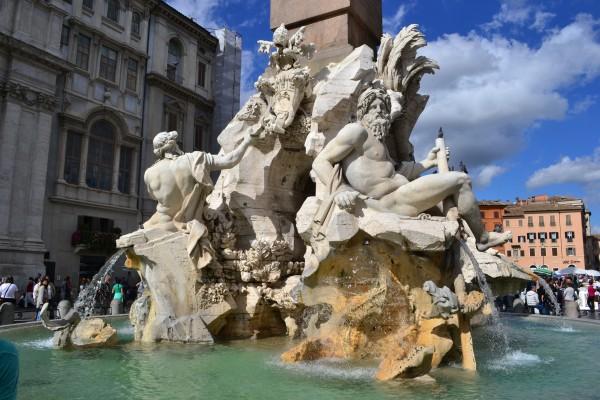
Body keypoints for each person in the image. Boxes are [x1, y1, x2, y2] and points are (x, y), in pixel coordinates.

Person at [312, 86, 512, 252]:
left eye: (383, 106)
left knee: (451, 203)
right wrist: (341, 191)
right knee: (461, 180)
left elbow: (397, 173)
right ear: (363, 111)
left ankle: (470, 242)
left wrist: (428, 162)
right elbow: (320, 161)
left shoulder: (379, 143)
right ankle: (482, 238)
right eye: (374, 107)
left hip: (401, 195)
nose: (380, 110)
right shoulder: (356, 132)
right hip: (388, 202)